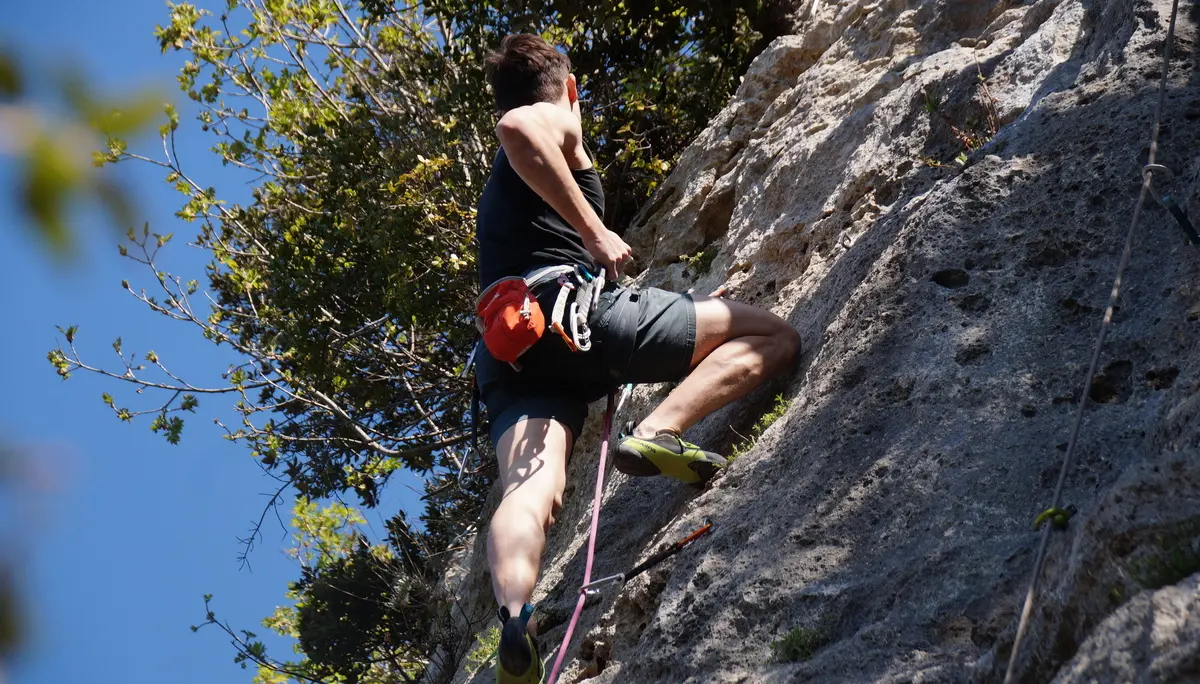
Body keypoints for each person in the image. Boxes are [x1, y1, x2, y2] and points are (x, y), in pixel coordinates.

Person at [474, 34, 802, 683]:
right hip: (577, 317)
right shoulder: (556, 119)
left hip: (511, 353)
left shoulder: (499, 200)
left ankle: (516, 618)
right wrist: (595, 232)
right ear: (570, 89)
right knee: (775, 337)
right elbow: (516, 128)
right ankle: (657, 432)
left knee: (528, 489)